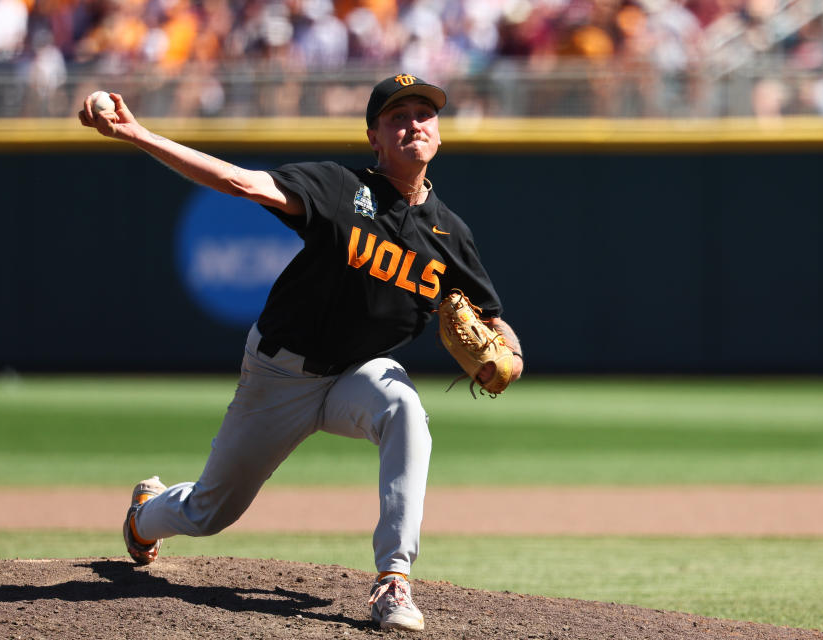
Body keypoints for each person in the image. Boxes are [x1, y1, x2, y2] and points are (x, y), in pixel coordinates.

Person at [78, 73, 523, 632]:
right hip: (281, 372)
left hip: (357, 375)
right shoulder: (341, 189)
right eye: (397, 117)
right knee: (210, 511)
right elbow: (242, 183)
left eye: (424, 115)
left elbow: (493, 317)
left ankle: (394, 580)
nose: (414, 123)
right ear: (374, 138)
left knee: (405, 409)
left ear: (437, 134)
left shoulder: (450, 234)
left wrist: (511, 355)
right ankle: (146, 515)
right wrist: (139, 134)